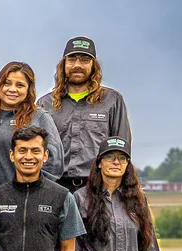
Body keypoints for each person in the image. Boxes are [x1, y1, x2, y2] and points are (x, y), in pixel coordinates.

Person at [41, 36, 132, 190]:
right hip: (55, 187)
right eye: (72, 60)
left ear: (94, 66)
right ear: (63, 65)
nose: (77, 65)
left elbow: (122, 148)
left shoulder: (112, 101)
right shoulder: (45, 104)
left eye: (84, 60)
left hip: (96, 188)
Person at [0, 61, 63, 192]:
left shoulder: (39, 116)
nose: (12, 89)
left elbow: (55, 162)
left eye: (20, 85)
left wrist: (36, 190)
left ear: (28, 89)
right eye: (7, 83)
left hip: (25, 197)